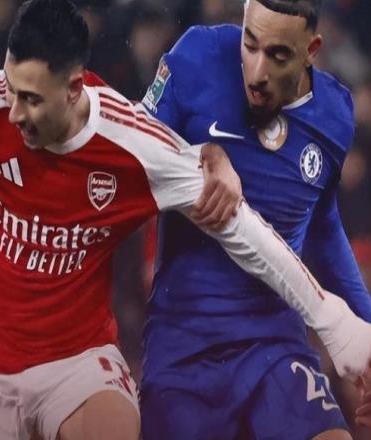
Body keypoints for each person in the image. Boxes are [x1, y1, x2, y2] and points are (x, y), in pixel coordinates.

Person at [0, 0, 369, 439]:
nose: (14, 111)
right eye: (11, 88)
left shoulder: (132, 144)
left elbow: (246, 231)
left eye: (32, 99)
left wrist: (336, 321)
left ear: (73, 88)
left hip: (79, 364)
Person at [141, 0, 371, 439]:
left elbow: (322, 227)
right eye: (250, 44)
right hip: (184, 342)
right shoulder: (197, 56)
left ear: (311, 50)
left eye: (278, 55)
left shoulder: (335, 114)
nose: (257, 72)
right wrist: (202, 154)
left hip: (275, 344)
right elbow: (134, 156)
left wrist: (366, 328)